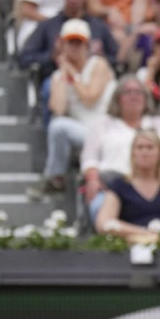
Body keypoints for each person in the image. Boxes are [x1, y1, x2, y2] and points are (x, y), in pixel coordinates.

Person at [28, 19, 116, 198]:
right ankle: (55, 178)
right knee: (57, 126)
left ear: (87, 45)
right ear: (62, 44)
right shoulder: (58, 76)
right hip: (82, 130)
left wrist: (73, 75)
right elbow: (58, 109)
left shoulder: (98, 65)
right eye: (70, 42)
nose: (75, 47)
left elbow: (90, 98)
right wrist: (63, 73)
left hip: (107, 128)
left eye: (79, 42)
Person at [80, 75, 160, 218]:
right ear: (117, 98)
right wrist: (92, 179)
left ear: (146, 98)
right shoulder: (102, 124)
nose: (133, 96)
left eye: (138, 92)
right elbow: (89, 158)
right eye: (127, 92)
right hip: (113, 186)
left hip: (158, 185)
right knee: (99, 207)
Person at [96, 129, 160, 242]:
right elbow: (104, 223)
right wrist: (146, 234)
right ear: (133, 153)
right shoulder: (118, 186)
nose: (144, 152)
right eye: (140, 147)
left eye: (150, 147)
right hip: (128, 245)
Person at [17, 0, 119, 84]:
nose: (73, 0)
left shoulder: (98, 26)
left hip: (93, 82)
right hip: (58, 80)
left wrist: (98, 58)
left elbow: (116, 60)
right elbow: (24, 59)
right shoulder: (48, 26)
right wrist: (51, 56)